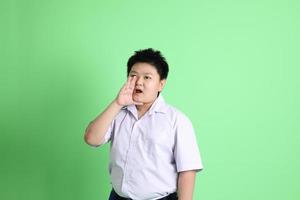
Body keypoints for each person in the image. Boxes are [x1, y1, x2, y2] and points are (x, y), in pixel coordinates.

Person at [84, 48, 203, 200]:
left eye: (147, 77)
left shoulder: (177, 120)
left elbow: (187, 171)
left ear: (161, 84)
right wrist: (117, 103)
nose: (139, 82)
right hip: (118, 197)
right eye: (133, 76)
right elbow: (91, 139)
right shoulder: (118, 113)